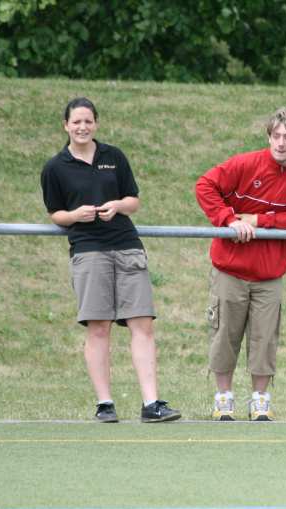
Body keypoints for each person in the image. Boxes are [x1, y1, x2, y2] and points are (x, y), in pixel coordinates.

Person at [40, 97, 181, 423]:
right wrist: (75, 215)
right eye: (76, 122)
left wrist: (117, 206)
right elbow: (55, 213)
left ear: (96, 124)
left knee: (142, 323)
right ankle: (105, 404)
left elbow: (133, 200)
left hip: (126, 245)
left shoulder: (113, 157)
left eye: (88, 121)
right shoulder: (55, 167)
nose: (82, 127)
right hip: (88, 250)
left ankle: (152, 403)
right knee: (99, 326)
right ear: (66, 125)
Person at [195, 107, 286, 422]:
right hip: (230, 269)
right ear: (268, 137)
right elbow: (205, 186)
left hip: (269, 274)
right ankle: (224, 398)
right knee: (225, 333)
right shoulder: (245, 163)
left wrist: (260, 221)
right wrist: (229, 220)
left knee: (265, 338)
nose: (281, 143)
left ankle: (260, 399)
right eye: (276, 136)